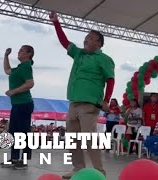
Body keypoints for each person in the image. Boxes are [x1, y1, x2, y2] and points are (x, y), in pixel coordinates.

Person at [49, 11, 115, 179]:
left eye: (90, 37)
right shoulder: (79, 54)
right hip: (73, 102)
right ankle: (78, 168)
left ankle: (99, 172)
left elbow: (110, 79)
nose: (86, 39)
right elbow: (64, 42)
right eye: (86, 37)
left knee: (88, 138)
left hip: (90, 104)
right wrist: (56, 22)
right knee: (72, 139)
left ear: (99, 43)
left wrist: (106, 100)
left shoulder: (104, 59)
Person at [0, 45, 35, 170]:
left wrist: (14, 91)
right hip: (17, 104)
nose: (18, 52)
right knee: (14, 132)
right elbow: (7, 70)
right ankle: (14, 158)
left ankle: (23, 161)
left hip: (24, 104)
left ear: (28, 54)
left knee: (23, 133)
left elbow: (30, 83)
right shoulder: (19, 68)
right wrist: (6, 56)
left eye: (21, 50)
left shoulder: (26, 66)